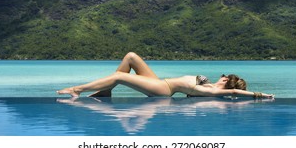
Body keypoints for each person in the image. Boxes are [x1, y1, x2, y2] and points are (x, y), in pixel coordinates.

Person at [56, 52, 275, 99]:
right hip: (161, 82)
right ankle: (105, 92)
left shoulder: (215, 90)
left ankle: (77, 89)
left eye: (224, 76)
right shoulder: (210, 84)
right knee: (131, 56)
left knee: (120, 77)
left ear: (226, 81)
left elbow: (236, 91)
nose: (222, 77)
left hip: (164, 90)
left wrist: (260, 95)